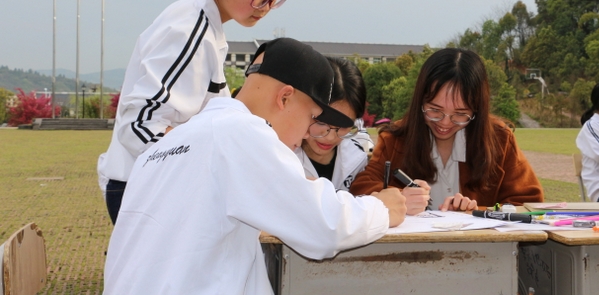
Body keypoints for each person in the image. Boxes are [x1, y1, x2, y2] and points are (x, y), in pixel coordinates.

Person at [103, 38, 407, 294]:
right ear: (285, 98)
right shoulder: (241, 133)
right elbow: (326, 226)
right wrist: (381, 208)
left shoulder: (169, 143)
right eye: (312, 117)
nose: (306, 134)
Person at [98, 0, 288, 224]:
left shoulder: (206, 26)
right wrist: (204, 161)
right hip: (145, 192)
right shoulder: (189, 29)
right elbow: (139, 125)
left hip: (156, 187)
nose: (265, 7)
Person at [350, 48, 543, 213]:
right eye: (435, 110)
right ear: (420, 101)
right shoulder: (395, 139)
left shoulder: (499, 140)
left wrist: (476, 212)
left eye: (460, 114)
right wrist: (399, 199)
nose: (445, 123)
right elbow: (360, 188)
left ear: (477, 109)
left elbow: (528, 203)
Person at [294, 57, 373, 190]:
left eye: (344, 126)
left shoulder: (357, 159)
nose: (330, 137)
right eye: (321, 122)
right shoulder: (280, 156)